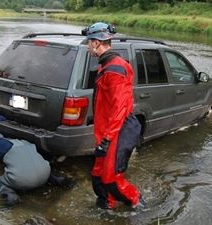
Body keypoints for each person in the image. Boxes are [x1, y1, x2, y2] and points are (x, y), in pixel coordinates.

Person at [82, 22, 144, 210]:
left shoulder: (115, 68)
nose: (87, 46)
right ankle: (107, 204)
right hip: (106, 131)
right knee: (98, 176)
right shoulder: (105, 65)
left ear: (96, 43)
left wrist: (107, 139)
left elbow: (119, 108)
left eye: (89, 42)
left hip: (118, 131)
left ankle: (136, 202)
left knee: (111, 179)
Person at [0, 131, 75, 206]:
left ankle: (11, 198)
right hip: (45, 172)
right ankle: (59, 180)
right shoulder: (21, 141)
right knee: (34, 167)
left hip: (23, 181)